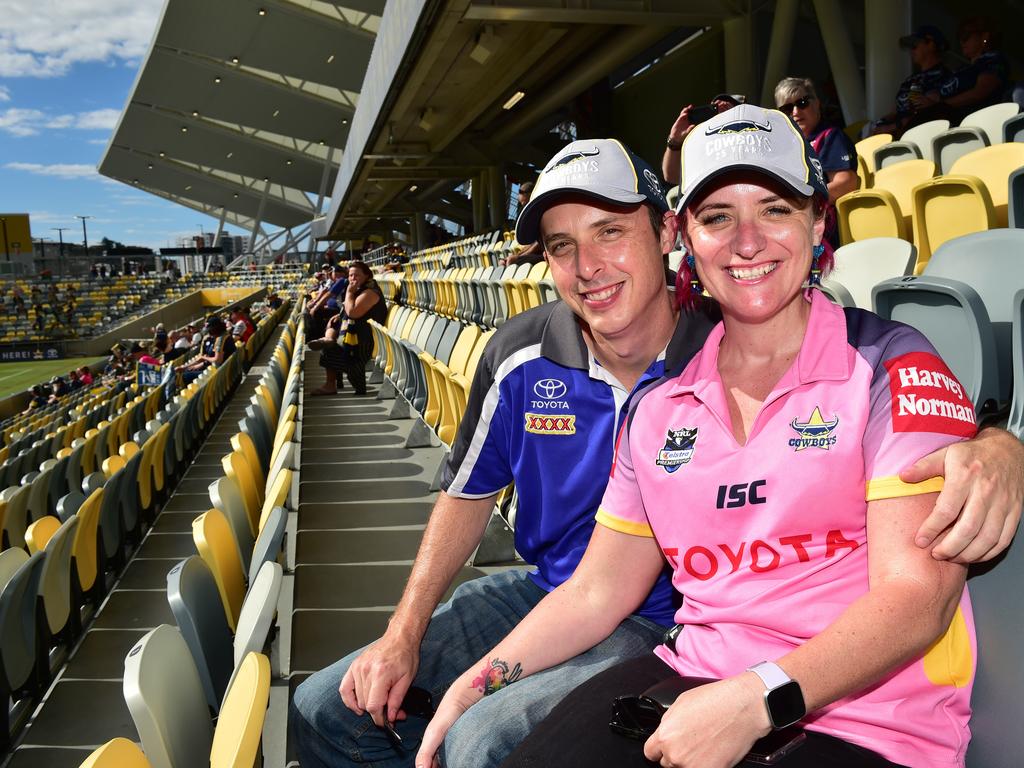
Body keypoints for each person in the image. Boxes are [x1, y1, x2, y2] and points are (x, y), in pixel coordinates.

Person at [289, 136, 1024, 768]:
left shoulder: (763, 333)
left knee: (483, 741)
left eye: (610, 231)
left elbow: (914, 552)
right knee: (332, 706)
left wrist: (999, 441)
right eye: (562, 246)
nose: (590, 266)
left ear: (663, 233)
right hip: (575, 600)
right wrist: (421, 643)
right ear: (694, 234)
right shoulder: (560, 365)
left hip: (681, 629)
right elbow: (493, 513)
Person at [774, 77, 858, 248]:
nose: (796, 112)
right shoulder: (780, 147)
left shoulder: (831, 136)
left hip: (823, 231)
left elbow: (847, 183)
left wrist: (802, 204)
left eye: (802, 103)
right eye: (788, 108)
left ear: (817, 103)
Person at [911, 16, 1009, 125]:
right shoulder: (962, 69)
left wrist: (939, 104)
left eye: (966, 36)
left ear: (984, 37)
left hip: (973, 123)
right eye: (959, 36)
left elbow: (980, 91)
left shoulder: (992, 59)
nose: (961, 41)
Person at [307, 262, 385, 396]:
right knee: (332, 326)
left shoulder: (370, 292)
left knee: (329, 349)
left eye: (357, 275)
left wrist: (349, 292)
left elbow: (353, 312)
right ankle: (328, 339)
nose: (352, 278)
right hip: (357, 336)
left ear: (367, 276)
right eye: (350, 275)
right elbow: (352, 311)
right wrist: (339, 315)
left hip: (365, 342)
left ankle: (330, 385)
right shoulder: (361, 289)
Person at [870, 25, 951, 136]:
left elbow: (922, 111)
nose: (911, 51)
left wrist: (892, 127)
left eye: (915, 46)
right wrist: (877, 126)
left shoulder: (943, 75)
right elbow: (895, 111)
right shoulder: (910, 80)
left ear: (931, 45)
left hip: (918, 135)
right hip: (895, 133)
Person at [662, 93, 744, 185]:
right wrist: (674, 140)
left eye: (728, 107)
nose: (721, 106)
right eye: (715, 106)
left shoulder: (752, 138)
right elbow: (672, 177)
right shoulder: (701, 142)